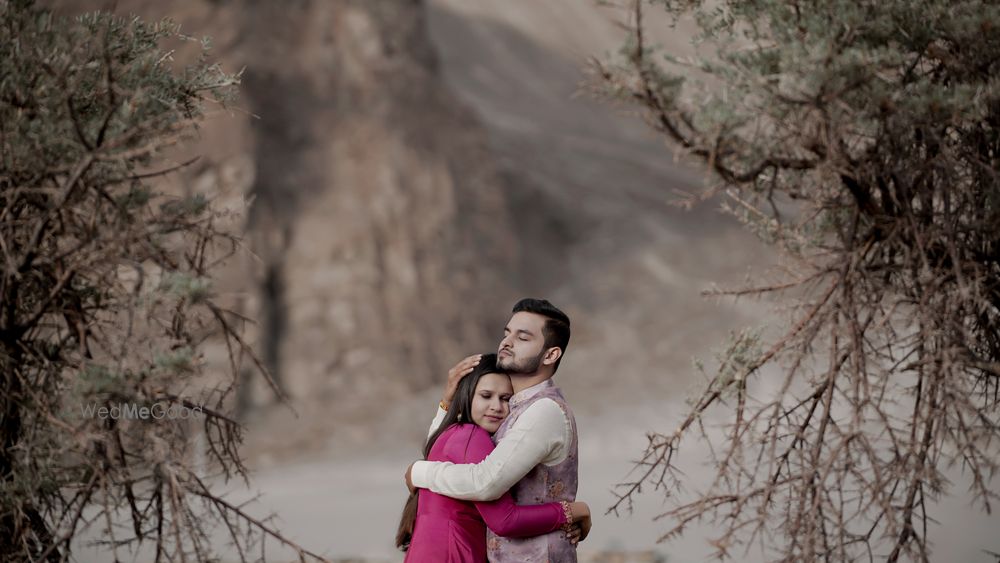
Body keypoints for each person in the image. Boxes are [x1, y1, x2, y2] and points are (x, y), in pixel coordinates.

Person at [406, 298, 584, 562]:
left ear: (550, 355)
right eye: (506, 333)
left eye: (522, 337)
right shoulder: (511, 408)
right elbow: (456, 447)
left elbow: (486, 482)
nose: (507, 342)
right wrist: (447, 403)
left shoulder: (544, 410)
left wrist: (419, 471)